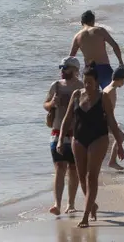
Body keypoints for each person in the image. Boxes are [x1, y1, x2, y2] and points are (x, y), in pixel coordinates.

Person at [58, 62, 124, 229]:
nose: (87, 85)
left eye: (90, 82)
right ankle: (92, 204)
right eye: (85, 81)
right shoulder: (76, 94)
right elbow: (67, 119)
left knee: (91, 176)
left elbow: (111, 120)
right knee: (81, 177)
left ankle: (86, 216)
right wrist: (60, 139)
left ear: (96, 82)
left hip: (99, 138)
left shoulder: (103, 97)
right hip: (78, 139)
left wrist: (120, 145)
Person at [44, 57, 82, 215]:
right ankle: (57, 204)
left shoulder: (82, 86)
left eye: (65, 68)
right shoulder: (56, 86)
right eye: (61, 67)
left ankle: (71, 203)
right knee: (60, 168)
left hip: (77, 133)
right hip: (57, 132)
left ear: (75, 70)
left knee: (74, 169)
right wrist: (52, 104)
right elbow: (45, 105)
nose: (62, 71)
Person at [69, 10, 124, 89]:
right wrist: (121, 63)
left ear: (81, 22)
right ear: (93, 21)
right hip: (104, 69)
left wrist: (73, 74)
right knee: (108, 96)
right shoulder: (100, 31)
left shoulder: (77, 36)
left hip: (88, 71)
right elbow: (115, 46)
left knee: (91, 98)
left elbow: (71, 58)